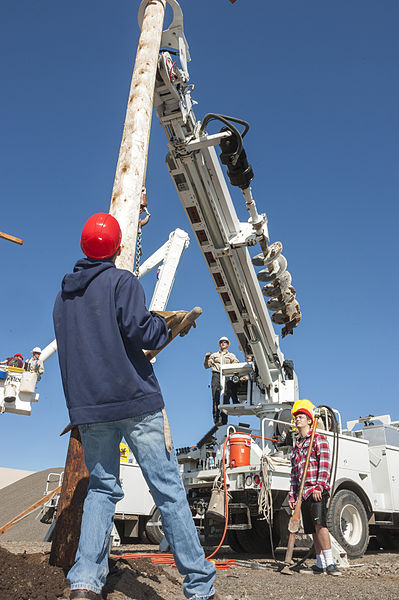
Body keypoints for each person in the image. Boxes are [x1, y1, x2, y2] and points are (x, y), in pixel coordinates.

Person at [53, 213, 218, 600]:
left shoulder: (62, 299)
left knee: (102, 490)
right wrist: (167, 326)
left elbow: (75, 355)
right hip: (135, 400)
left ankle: (84, 583)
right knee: (168, 491)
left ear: (84, 246)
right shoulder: (121, 281)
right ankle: (198, 586)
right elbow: (141, 330)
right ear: (117, 247)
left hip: (91, 410)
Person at [288, 402, 341, 576]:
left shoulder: (317, 439)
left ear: (310, 421)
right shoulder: (297, 447)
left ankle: (331, 563)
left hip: (316, 490)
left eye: (301, 417)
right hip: (303, 494)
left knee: (320, 526)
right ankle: (320, 563)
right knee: (311, 529)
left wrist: (319, 486)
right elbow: (295, 475)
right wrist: (293, 496)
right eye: (296, 417)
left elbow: (325, 465)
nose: (297, 419)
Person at [204, 337, 239, 425]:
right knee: (215, 396)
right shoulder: (214, 355)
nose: (223, 343)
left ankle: (224, 420)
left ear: (227, 344)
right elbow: (207, 366)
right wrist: (206, 358)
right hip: (216, 375)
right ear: (220, 344)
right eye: (222, 342)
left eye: (225, 342)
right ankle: (216, 420)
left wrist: (233, 364)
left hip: (226, 375)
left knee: (226, 397)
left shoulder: (231, 355)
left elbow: (236, 363)